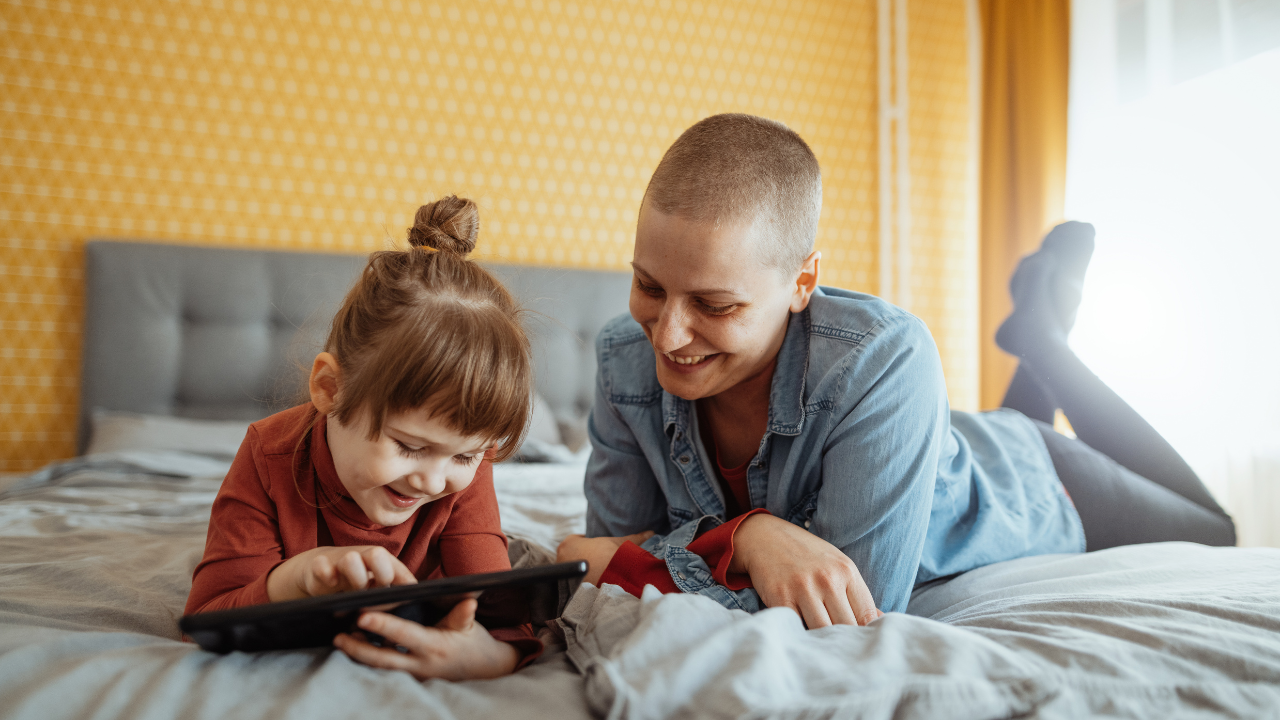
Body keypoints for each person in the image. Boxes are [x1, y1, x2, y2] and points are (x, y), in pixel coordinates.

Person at [556, 114, 1235, 629]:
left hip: (1026, 477)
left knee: (1216, 528)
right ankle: (1033, 341)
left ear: (802, 283)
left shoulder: (887, 356)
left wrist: (737, 535)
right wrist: (748, 538)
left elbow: (859, 603)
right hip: (927, 443)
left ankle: (1044, 342)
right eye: (649, 287)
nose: (667, 334)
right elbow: (606, 563)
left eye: (714, 304)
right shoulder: (624, 357)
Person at [186, 196, 542, 681]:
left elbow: (501, 613)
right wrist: (294, 578)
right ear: (330, 389)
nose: (434, 480)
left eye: (469, 454)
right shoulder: (268, 454)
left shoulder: (463, 469)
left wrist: (491, 658)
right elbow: (207, 618)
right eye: (410, 447)